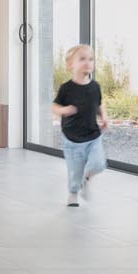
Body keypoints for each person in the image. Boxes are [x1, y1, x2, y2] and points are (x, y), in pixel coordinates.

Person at [51, 44, 109, 206]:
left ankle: (87, 178)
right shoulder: (66, 89)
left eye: (91, 59)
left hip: (93, 136)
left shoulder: (95, 87)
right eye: (82, 59)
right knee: (75, 172)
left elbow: (99, 104)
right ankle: (73, 193)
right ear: (71, 64)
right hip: (72, 139)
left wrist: (104, 116)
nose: (88, 62)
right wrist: (64, 110)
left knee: (99, 164)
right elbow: (54, 106)